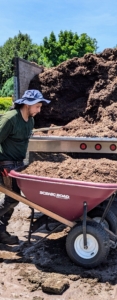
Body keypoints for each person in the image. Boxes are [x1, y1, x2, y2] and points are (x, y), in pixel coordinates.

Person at [0, 89, 50, 245]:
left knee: (14, 198)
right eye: (38, 106)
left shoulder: (31, 120)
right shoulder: (10, 119)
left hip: (18, 163)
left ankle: (1, 230)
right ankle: (1, 231)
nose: (39, 110)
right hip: (6, 163)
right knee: (13, 197)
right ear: (28, 104)